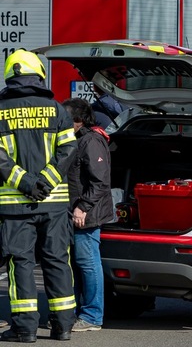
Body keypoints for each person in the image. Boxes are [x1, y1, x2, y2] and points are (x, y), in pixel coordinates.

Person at [0, 50, 77, 342]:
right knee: (57, 260)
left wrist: (26, 182)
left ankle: (25, 329)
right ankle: (63, 327)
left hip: (13, 205)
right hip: (54, 203)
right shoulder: (58, 110)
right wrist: (45, 181)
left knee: (19, 263)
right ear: (39, 75)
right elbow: (68, 151)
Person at [62, 98, 114, 332]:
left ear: (79, 120)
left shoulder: (91, 140)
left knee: (88, 264)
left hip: (86, 214)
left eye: (66, 119)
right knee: (77, 264)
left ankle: (92, 316)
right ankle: (76, 313)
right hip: (75, 212)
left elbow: (100, 181)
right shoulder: (77, 139)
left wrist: (82, 207)